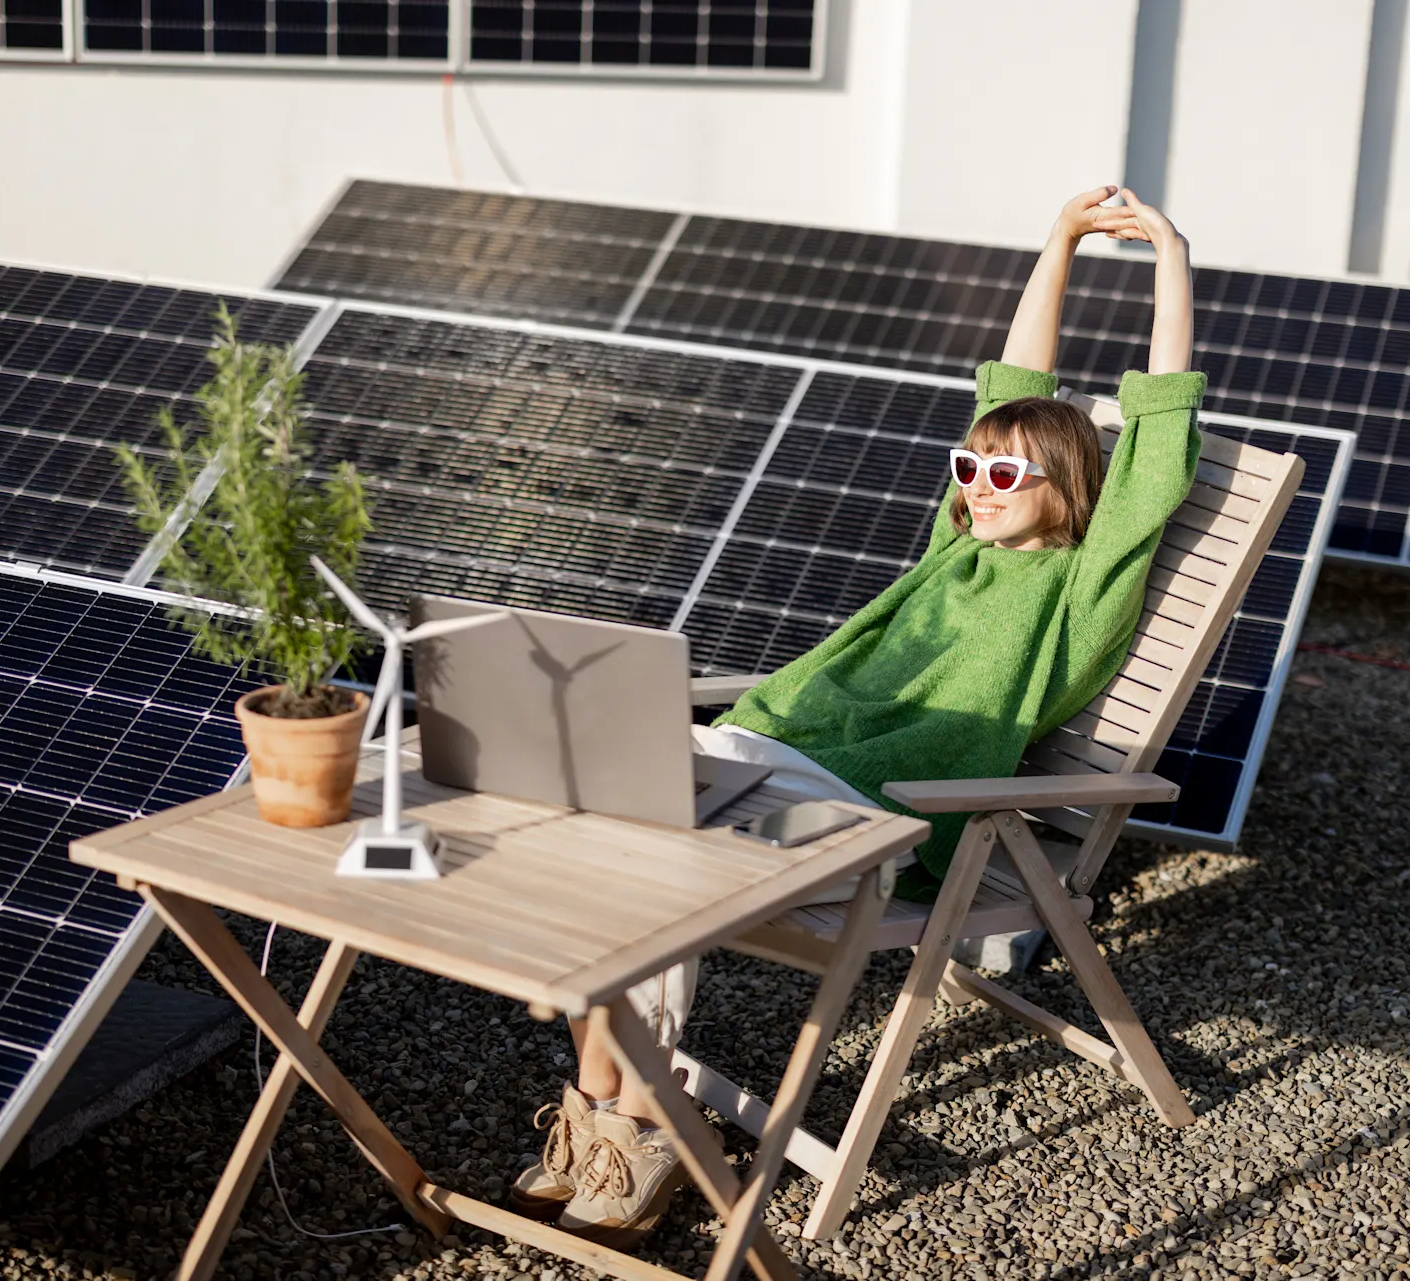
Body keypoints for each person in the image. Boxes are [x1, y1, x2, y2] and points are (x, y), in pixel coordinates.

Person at [510, 186, 1206, 1248]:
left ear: (1067, 490)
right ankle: (608, 1104)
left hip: (859, 815)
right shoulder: (956, 551)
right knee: (599, 815)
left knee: (654, 859)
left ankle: (640, 1121)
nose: (976, 487)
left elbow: (1159, 431)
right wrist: (1056, 242)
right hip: (755, 758)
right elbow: (1011, 384)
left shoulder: (1081, 590)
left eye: (1004, 473)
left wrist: (1167, 252)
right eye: (968, 468)